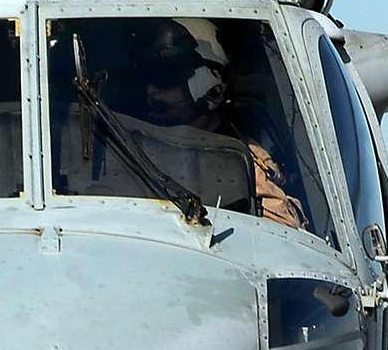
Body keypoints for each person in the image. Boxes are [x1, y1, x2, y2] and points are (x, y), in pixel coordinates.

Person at [128, 18, 306, 229]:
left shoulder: (245, 160)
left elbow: (284, 231)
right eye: (144, 78)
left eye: (164, 77)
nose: (151, 92)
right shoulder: (123, 144)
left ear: (208, 78)